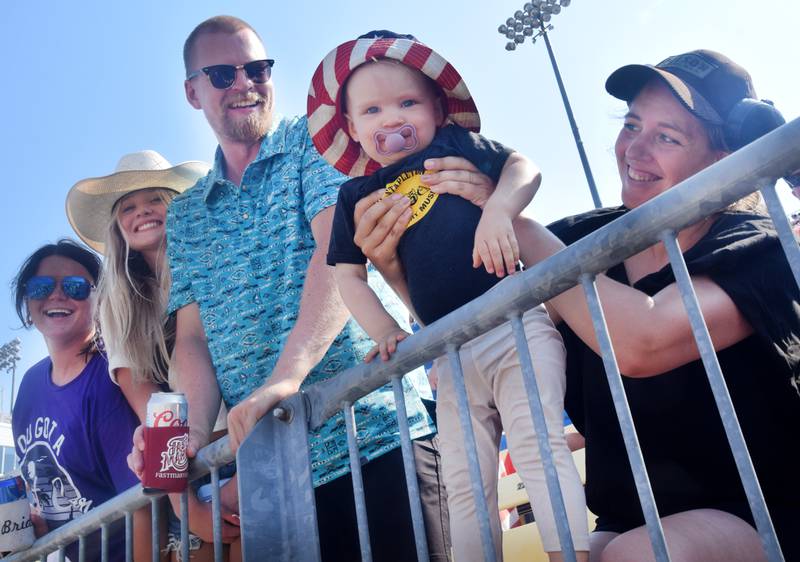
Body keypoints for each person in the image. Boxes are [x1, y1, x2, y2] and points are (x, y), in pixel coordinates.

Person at [354, 49, 800, 561]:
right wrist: (394, 264)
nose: (635, 149)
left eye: (668, 137)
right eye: (632, 125)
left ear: (724, 159)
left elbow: (641, 342)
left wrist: (508, 220)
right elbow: (480, 324)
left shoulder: (760, 245)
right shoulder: (583, 237)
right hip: (629, 519)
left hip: (758, 512)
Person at [126, 15, 489, 561]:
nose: (245, 83)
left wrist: (286, 378)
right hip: (272, 478)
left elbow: (336, 257)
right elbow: (193, 341)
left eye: (258, 68)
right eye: (223, 74)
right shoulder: (186, 215)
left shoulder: (314, 142)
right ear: (192, 92)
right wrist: (191, 441)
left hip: (375, 435)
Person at [309, 30, 589, 562]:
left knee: (537, 447)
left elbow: (523, 167)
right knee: (464, 479)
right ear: (351, 128)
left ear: (438, 109)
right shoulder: (356, 196)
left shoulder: (454, 147)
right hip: (450, 353)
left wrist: (499, 210)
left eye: (407, 102)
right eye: (371, 110)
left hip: (514, 321)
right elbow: (347, 275)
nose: (390, 119)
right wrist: (387, 331)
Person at [66, 150, 239, 560]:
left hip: (254, 449)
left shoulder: (219, 266)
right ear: (117, 225)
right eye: (128, 207)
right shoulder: (118, 305)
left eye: (154, 200)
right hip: (195, 469)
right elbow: (153, 409)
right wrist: (184, 503)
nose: (141, 212)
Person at [10, 240, 145, 562]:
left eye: (75, 286)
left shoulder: (110, 375)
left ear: (100, 300)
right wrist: (39, 524)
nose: (57, 295)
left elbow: (143, 499)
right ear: (27, 302)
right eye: (41, 287)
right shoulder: (29, 386)